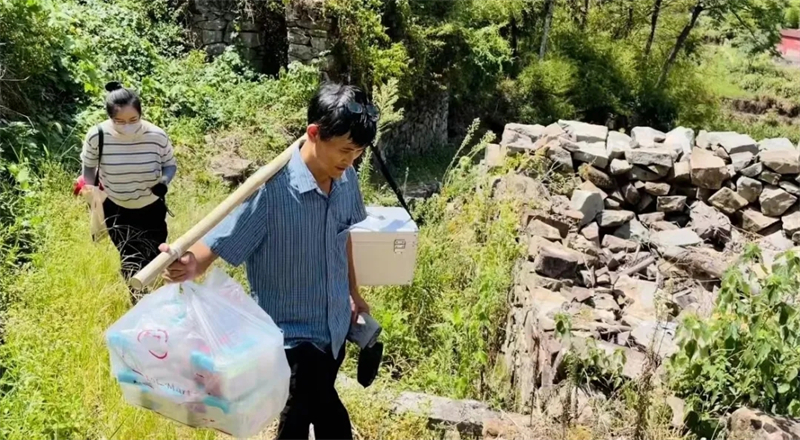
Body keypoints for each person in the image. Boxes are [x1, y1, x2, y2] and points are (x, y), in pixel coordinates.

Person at [160, 82, 377, 440]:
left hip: (334, 328)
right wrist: (185, 264)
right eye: (344, 150)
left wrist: (354, 293)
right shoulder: (271, 191)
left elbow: (344, 237)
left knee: (302, 416)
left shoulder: (346, 178)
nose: (350, 160)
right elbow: (215, 244)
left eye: (358, 152)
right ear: (313, 133)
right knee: (328, 418)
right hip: (289, 340)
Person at [80, 81, 177, 301]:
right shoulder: (97, 136)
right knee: (130, 256)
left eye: (133, 120)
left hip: (151, 206)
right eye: (120, 121)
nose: (127, 126)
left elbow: (170, 164)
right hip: (116, 207)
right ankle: (138, 300)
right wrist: (91, 194)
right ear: (110, 118)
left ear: (141, 114)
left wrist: (163, 181)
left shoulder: (157, 136)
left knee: (154, 254)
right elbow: (89, 166)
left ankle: (158, 297)